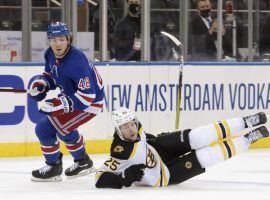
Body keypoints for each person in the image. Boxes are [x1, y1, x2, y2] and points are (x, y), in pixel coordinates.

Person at [95, 107, 269, 188]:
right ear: (118, 131)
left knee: (198, 135)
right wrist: (122, 178)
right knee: (204, 157)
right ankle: (249, 139)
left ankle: (247, 121)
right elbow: (99, 178)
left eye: (132, 124)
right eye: (125, 127)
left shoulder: (137, 128)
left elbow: (142, 139)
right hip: (163, 175)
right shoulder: (120, 152)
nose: (131, 128)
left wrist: (154, 138)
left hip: (159, 147)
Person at [29, 22, 104, 182]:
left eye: (62, 39)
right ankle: (83, 162)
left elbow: (87, 97)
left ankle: (53, 166)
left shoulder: (77, 61)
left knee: (44, 128)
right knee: (64, 128)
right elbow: (51, 75)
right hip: (73, 98)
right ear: (48, 40)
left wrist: (58, 104)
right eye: (54, 39)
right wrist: (41, 84)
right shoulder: (49, 54)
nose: (58, 43)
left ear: (68, 40)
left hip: (90, 103)